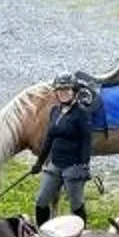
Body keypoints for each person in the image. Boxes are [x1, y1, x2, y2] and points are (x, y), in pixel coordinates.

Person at [35, 84, 95, 225]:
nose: (63, 93)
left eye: (67, 90)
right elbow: (49, 139)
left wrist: (84, 165)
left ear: (73, 92)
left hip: (73, 166)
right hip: (55, 164)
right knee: (41, 201)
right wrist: (39, 162)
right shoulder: (55, 111)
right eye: (60, 90)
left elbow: (86, 141)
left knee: (76, 205)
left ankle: (81, 235)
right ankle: (43, 233)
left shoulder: (81, 113)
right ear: (56, 93)